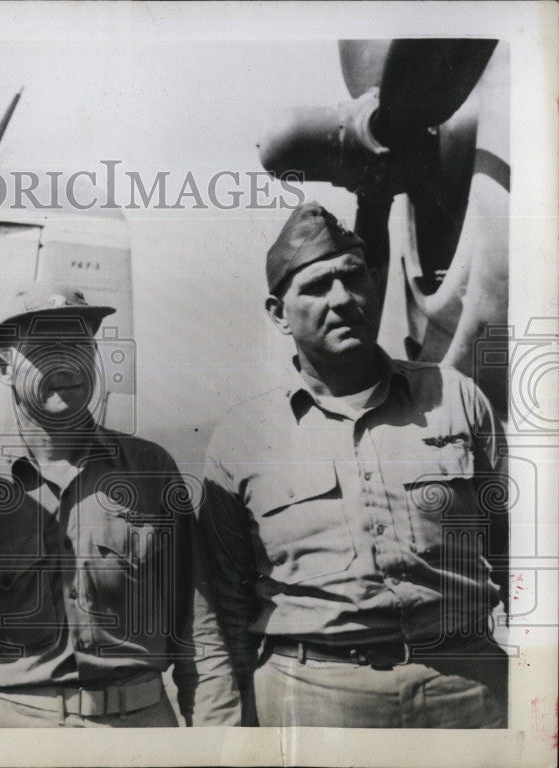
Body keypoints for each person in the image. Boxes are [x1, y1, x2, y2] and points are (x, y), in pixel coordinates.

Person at [191, 202, 509, 728]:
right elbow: (224, 606)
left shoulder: (454, 397)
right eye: (316, 287)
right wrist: (227, 735)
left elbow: (516, 544)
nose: (341, 299)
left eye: (352, 278)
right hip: (314, 701)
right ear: (277, 313)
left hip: (469, 690)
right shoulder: (242, 438)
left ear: (375, 284)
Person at [0, 283, 197, 727]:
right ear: (5, 368)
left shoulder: (151, 469)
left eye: (79, 345)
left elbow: (197, 622)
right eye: (44, 348)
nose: (66, 362)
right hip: (20, 733)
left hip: (141, 728)